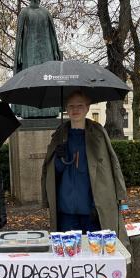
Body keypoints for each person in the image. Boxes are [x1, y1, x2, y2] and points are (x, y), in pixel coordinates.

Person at [41, 91, 130, 249]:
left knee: (95, 253)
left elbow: (111, 166)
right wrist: (59, 158)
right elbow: (54, 173)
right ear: (66, 109)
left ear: (87, 108)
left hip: (92, 209)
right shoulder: (59, 136)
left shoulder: (98, 133)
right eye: (71, 106)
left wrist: (119, 194)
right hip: (66, 209)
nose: (75, 110)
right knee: (70, 255)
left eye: (80, 105)